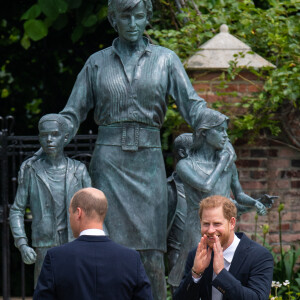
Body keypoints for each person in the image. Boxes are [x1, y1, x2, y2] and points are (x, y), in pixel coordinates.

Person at [168, 108, 274, 287]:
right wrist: (223, 162)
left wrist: (256, 203)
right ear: (204, 133)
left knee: (224, 279)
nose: (226, 136)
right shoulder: (186, 165)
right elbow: (205, 186)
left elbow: (238, 195)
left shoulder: (229, 166)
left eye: (226, 130)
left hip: (224, 231)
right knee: (192, 280)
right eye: (220, 130)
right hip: (198, 230)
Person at [9, 114, 91, 287]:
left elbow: (92, 212)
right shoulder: (31, 171)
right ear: (39, 138)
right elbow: (16, 210)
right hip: (45, 247)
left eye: (55, 134)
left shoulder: (79, 171)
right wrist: (22, 244)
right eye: (44, 135)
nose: (49, 139)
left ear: (66, 137)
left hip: (76, 246)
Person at [33, 188, 153, 300]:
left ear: (78, 213)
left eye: (70, 213)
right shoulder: (131, 259)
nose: (69, 219)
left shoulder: (56, 257)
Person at [173, 195, 274, 300]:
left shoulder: (259, 256)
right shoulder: (197, 255)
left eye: (217, 224)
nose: (210, 230)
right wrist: (196, 273)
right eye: (206, 224)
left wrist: (221, 273)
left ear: (232, 223)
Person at [167, 133, 192, 272]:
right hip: (179, 260)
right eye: (196, 150)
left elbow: (227, 207)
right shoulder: (168, 189)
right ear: (183, 153)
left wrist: (254, 204)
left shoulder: (205, 186)